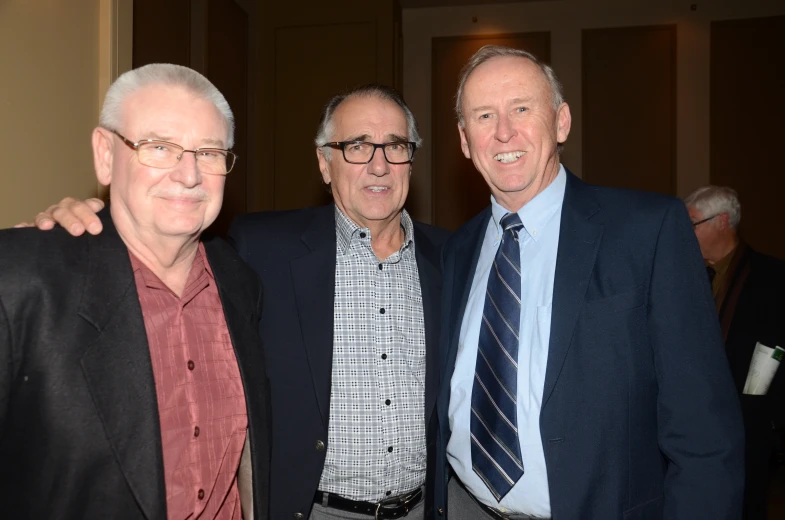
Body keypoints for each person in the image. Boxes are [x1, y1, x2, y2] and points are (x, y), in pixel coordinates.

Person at [24, 84, 450, 520]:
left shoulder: (451, 258)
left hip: (422, 509)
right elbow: (161, 246)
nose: (379, 165)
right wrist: (83, 223)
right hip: (309, 510)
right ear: (324, 163)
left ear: (411, 162)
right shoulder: (259, 249)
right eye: (357, 146)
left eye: (396, 147)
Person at [433, 45, 745, 519]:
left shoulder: (648, 231)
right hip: (464, 507)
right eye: (483, 115)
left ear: (561, 121)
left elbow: (705, 435)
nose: (503, 132)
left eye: (521, 108)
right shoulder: (456, 251)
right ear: (463, 139)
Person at [0, 64, 270, 519]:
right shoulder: (22, 281)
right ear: (105, 155)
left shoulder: (240, 281)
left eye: (208, 152)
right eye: (159, 147)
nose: (189, 175)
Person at [685, 185, 785, 520]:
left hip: (747, 430)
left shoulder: (771, 277)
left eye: (693, 223)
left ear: (722, 222)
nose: (686, 234)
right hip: (693, 429)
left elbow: (773, 351)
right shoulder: (687, 276)